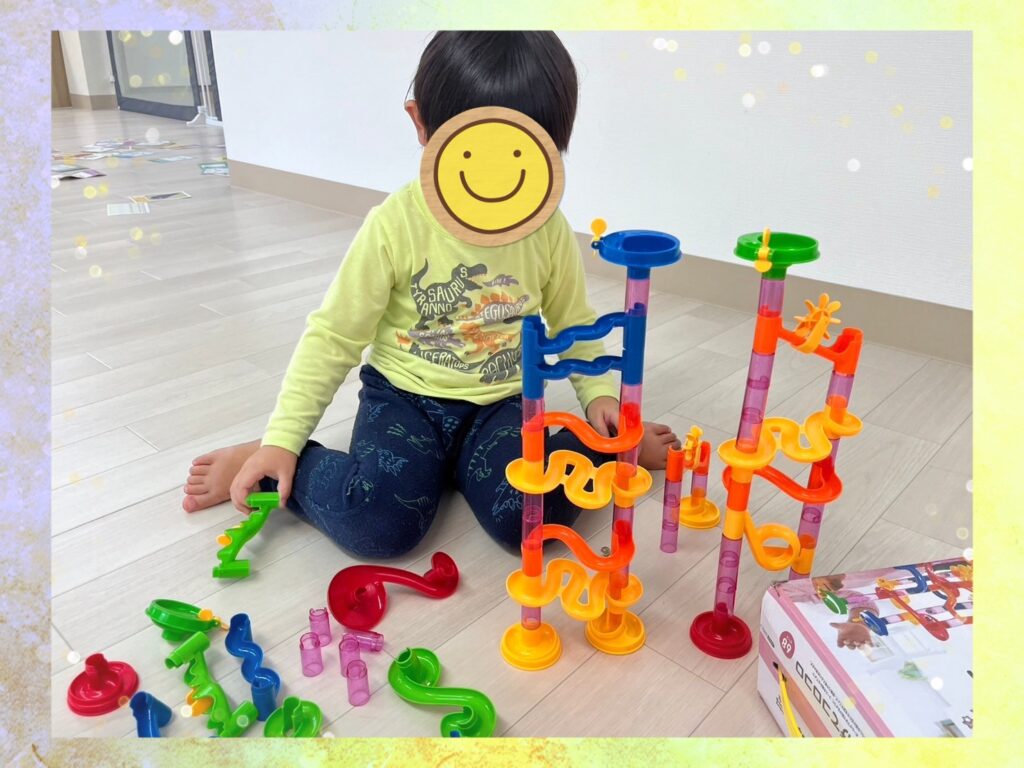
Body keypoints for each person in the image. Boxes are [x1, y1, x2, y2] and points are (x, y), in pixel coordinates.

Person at [183, 31, 678, 558]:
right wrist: (283, 438)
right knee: (380, 525)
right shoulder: (394, 225)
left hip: (499, 406)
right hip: (404, 398)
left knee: (531, 522)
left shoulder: (548, 229)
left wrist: (600, 398)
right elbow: (334, 336)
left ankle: (604, 447)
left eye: (523, 156)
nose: (497, 183)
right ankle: (278, 462)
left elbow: (572, 322)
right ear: (420, 123)